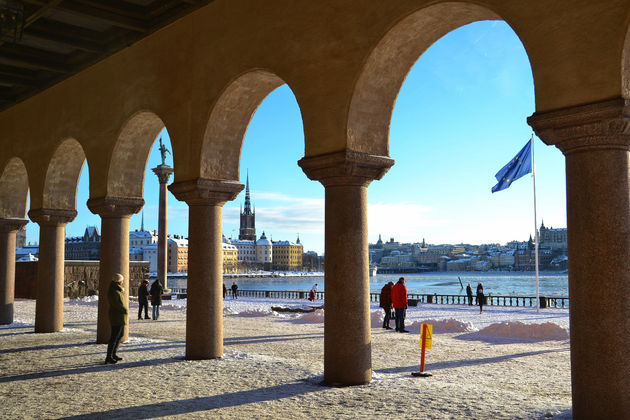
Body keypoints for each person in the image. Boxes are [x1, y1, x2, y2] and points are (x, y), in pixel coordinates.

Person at [105, 273, 128, 364]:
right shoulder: (113, 291)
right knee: (114, 337)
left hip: (119, 316)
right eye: (122, 280)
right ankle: (109, 356)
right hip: (116, 316)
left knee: (120, 335)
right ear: (118, 281)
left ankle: (113, 354)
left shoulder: (117, 290)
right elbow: (116, 304)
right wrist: (124, 309)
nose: (123, 282)